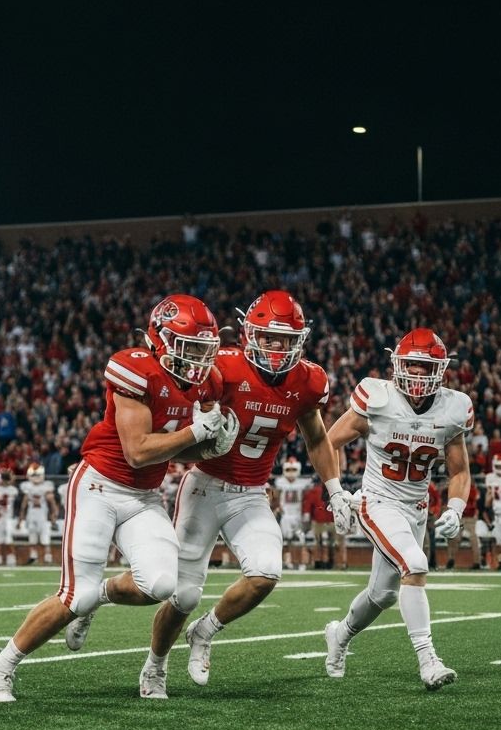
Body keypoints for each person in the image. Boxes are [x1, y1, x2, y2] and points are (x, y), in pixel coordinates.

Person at [0, 293, 227, 702]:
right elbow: (138, 450)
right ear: (160, 338)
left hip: (144, 496)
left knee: (162, 584)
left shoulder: (206, 381)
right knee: (77, 595)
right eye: (190, 347)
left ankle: (103, 596)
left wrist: (210, 448)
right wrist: (198, 434)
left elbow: (177, 449)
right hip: (100, 486)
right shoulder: (134, 367)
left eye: (204, 349)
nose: (198, 359)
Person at [135, 290, 350, 697]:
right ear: (251, 334)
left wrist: (335, 491)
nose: (277, 347)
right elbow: (179, 413)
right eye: (269, 337)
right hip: (204, 485)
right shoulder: (222, 366)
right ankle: (154, 667)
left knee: (266, 573)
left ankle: (205, 631)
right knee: (182, 594)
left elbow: (318, 437)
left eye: (286, 340)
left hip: (251, 492)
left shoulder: (309, 380)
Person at [324, 327, 473, 690]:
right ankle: (428, 660)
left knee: (383, 594)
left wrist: (455, 507)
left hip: (416, 507)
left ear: (440, 370)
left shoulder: (453, 408)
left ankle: (339, 635)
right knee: (415, 563)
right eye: (411, 365)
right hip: (377, 501)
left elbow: (460, 470)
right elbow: (328, 441)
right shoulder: (377, 399)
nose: (418, 374)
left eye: (425, 367)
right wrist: (337, 492)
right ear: (396, 364)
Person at [271, 457, 312, 570]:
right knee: (286, 540)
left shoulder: (303, 483)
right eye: (288, 470)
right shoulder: (280, 482)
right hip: (286, 516)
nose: (291, 472)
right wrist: (278, 508)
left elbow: (306, 498)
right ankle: (288, 561)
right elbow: (277, 497)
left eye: (293, 469)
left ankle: (303, 563)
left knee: (301, 540)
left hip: (298, 515)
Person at [19, 462, 58, 565]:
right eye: (34, 475)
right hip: (31, 516)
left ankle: (48, 557)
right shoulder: (27, 487)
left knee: (45, 537)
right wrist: (21, 516)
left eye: (37, 475)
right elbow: (24, 503)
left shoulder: (47, 487)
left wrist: (54, 515)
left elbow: (52, 503)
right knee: (32, 537)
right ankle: (33, 556)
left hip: (43, 516)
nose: (36, 477)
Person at [445, 481, 482, 570]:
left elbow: (473, 499)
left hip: (470, 518)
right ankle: (451, 560)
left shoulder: (472, 489)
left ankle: (477, 562)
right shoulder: (454, 489)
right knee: (453, 538)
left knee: (474, 539)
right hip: (459, 517)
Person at [0, 469, 19, 565]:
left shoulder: (11, 490)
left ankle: (10, 557)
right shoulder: (10, 489)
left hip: (7, 517)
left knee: (7, 538)